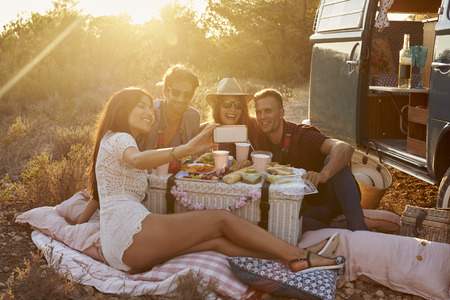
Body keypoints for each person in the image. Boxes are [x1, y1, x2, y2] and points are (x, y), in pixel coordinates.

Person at [77, 87, 343, 273]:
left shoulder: (113, 139)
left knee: (216, 242)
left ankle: (294, 257)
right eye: (142, 107)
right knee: (222, 219)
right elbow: (136, 160)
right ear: (123, 109)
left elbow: (108, 185)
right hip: (128, 234)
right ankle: (302, 254)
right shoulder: (122, 138)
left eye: (150, 107)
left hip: (122, 248)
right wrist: (185, 150)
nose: (150, 112)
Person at [253, 89, 368, 232]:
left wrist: (323, 175)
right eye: (258, 112)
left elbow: (344, 148)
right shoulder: (259, 138)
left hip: (329, 202)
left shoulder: (302, 136)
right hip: (303, 208)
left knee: (332, 160)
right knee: (280, 224)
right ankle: (333, 231)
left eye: (268, 111)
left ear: (281, 113)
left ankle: (359, 230)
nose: (262, 116)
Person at [143, 64, 201, 150]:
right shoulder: (150, 112)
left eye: (187, 94)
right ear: (165, 91)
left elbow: (191, 156)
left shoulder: (193, 117)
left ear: (192, 96)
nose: (181, 99)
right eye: (176, 92)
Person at [206, 78, 261, 157]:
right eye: (226, 104)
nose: (232, 109)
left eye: (238, 105)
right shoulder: (208, 132)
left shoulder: (254, 126)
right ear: (218, 107)